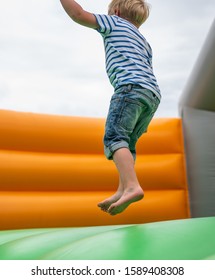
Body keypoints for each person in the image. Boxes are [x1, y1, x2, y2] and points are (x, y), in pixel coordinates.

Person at [60, 0, 161, 215]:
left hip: (129, 89)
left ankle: (132, 186)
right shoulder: (143, 41)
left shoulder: (114, 22)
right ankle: (123, 188)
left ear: (115, 11)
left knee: (115, 138)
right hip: (151, 95)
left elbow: (78, 14)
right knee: (128, 143)